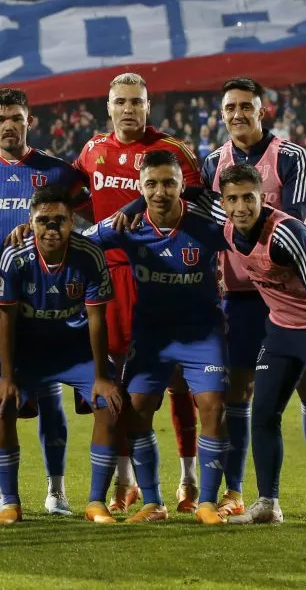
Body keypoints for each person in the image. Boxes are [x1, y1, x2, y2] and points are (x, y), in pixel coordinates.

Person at [203, 78, 306, 518]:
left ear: (261, 110)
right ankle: (240, 493)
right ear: (221, 113)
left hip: (295, 290)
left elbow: (295, 220)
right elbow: (202, 213)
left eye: (245, 106)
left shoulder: (289, 156)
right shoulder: (213, 162)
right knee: (243, 395)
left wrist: (305, 252)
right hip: (243, 295)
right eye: (230, 107)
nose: (237, 114)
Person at [0, 87, 90, 517]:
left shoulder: (57, 171)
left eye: (16, 117)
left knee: (49, 396)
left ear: (30, 121)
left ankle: (56, 492)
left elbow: (86, 212)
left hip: (40, 301)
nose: (8, 126)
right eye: (0, 119)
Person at [72, 73, 204, 513]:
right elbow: (74, 193)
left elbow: (198, 198)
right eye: (121, 101)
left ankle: (188, 480)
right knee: (116, 382)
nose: (128, 109)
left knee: (178, 380)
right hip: (109, 279)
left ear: (148, 106)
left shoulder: (171, 150)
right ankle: (125, 482)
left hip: (162, 275)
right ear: (108, 107)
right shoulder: (93, 149)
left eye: (136, 101)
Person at [86, 151, 230, 524]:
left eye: (169, 183)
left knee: (213, 406)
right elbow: (80, 243)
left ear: (182, 185)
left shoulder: (207, 223)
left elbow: (248, 225)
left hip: (202, 334)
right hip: (152, 336)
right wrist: (29, 235)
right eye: (151, 184)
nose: (160, 191)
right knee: (135, 409)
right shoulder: (127, 225)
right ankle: (153, 503)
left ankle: (207, 502)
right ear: (140, 187)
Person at [0, 185, 121, 524]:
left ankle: (96, 503)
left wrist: (101, 377)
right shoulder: (15, 256)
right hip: (28, 352)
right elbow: (4, 319)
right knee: (1, 405)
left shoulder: (89, 254)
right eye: (43, 221)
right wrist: (6, 378)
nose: (51, 229)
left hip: (75, 351)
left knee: (109, 404)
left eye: (59, 221)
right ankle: (10, 504)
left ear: (72, 221)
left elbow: (97, 319)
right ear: (30, 222)